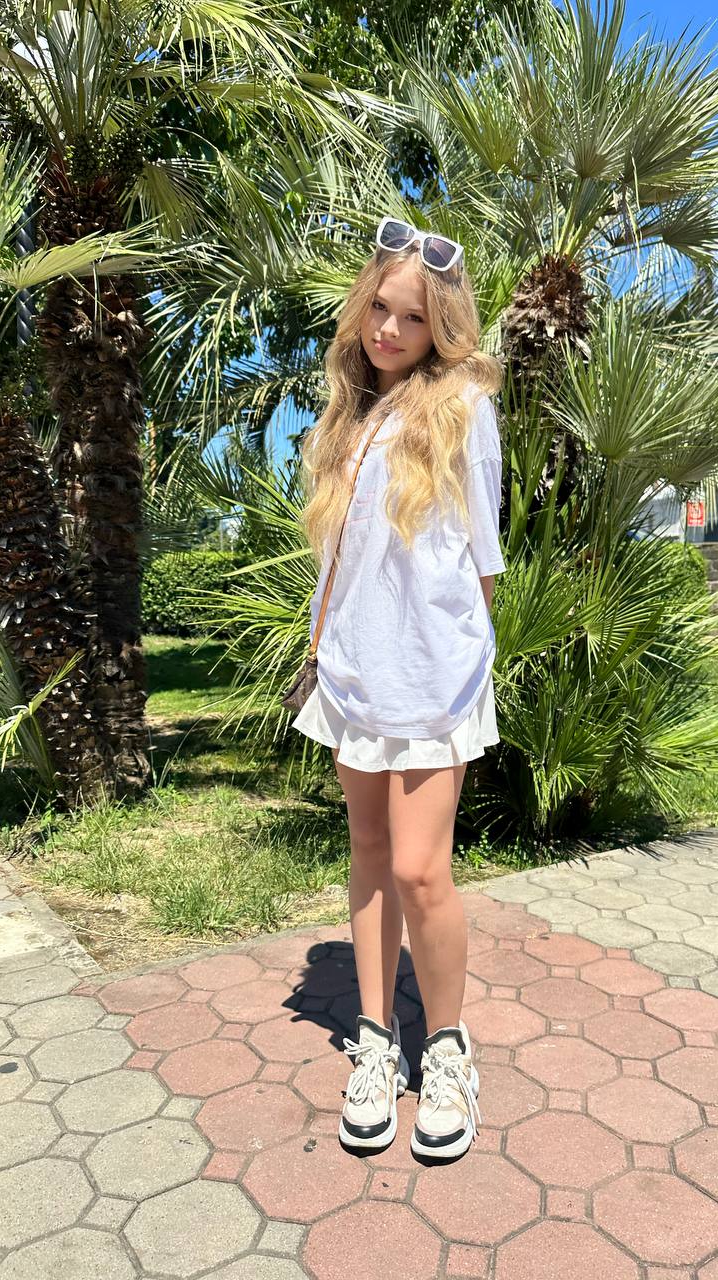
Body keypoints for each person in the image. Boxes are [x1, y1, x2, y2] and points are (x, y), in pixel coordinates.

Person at [290, 217, 507, 1162]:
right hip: (353, 670)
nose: (388, 329)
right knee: (371, 856)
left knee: (422, 871)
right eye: (380, 307)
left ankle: (448, 1050)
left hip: (430, 679)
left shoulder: (463, 406)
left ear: (440, 327)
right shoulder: (348, 414)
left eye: (412, 317)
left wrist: (457, 666)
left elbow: (484, 562)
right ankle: (375, 1041)